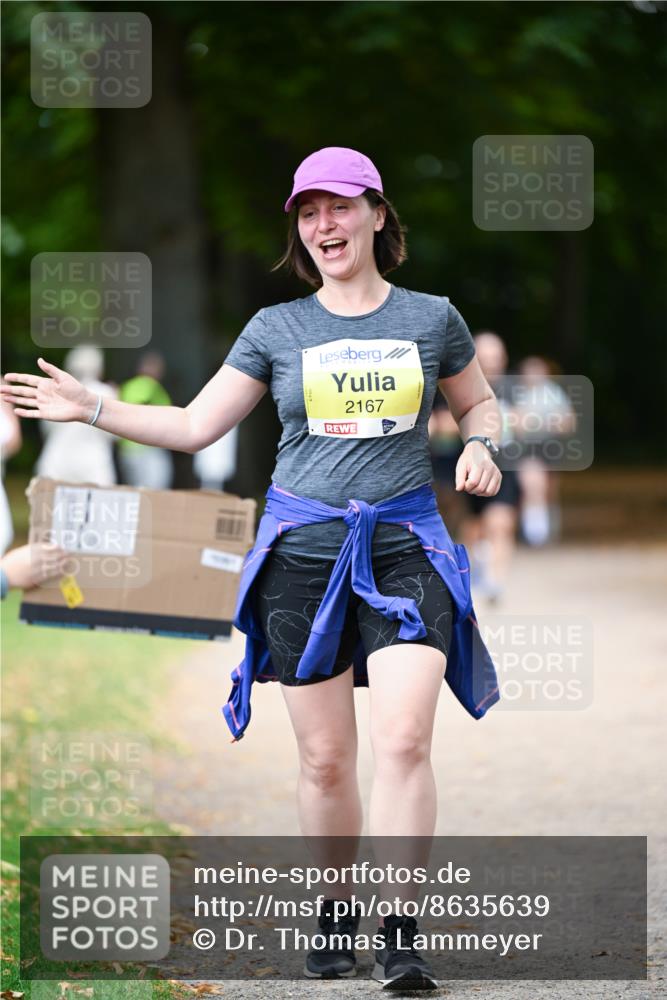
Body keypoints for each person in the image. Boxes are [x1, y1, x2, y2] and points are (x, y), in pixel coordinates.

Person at [1, 146, 504, 992]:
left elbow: (477, 401)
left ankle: (401, 935)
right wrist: (91, 406)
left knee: (405, 737)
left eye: (339, 207)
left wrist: (484, 442)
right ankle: (335, 909)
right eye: (307, 213)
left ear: (378, 214)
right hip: (302, 555)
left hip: (405, 547)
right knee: (325, 762)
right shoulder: (276, 329)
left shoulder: (432, 318)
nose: (323, 225)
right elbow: (196, 426)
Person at [459, 331, 521, 605]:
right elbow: (439, 426)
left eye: (497, 358)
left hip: (506, 466)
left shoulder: (515, 389)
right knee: (473, 526)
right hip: (468, 466)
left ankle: (496, 582)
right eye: (486, 358)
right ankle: (474, 569)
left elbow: (533, 423)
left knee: (502, 523)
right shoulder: (461, 386)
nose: (493, 364)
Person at [513, 356, 576, 546]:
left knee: (549, 490)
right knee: (532, 485)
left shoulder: (553, 393)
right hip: (526, 449)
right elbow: (516, 423)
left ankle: (547, 530)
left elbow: (568, 422)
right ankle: (534, 533)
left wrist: (541, 423)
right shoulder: (516, 393)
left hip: (549, 447)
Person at [34, 345, 117, 486]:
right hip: (94, 463)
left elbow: (46, 428)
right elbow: (114, 434)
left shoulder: (58, 391)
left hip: (56, 460)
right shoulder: (106, 392)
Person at [117, 351, 173, 490]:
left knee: (137, 490)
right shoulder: (149, 385)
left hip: (128, 448)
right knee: (155, 490)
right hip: (147, 448)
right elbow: (139, 408)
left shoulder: (129, 385)